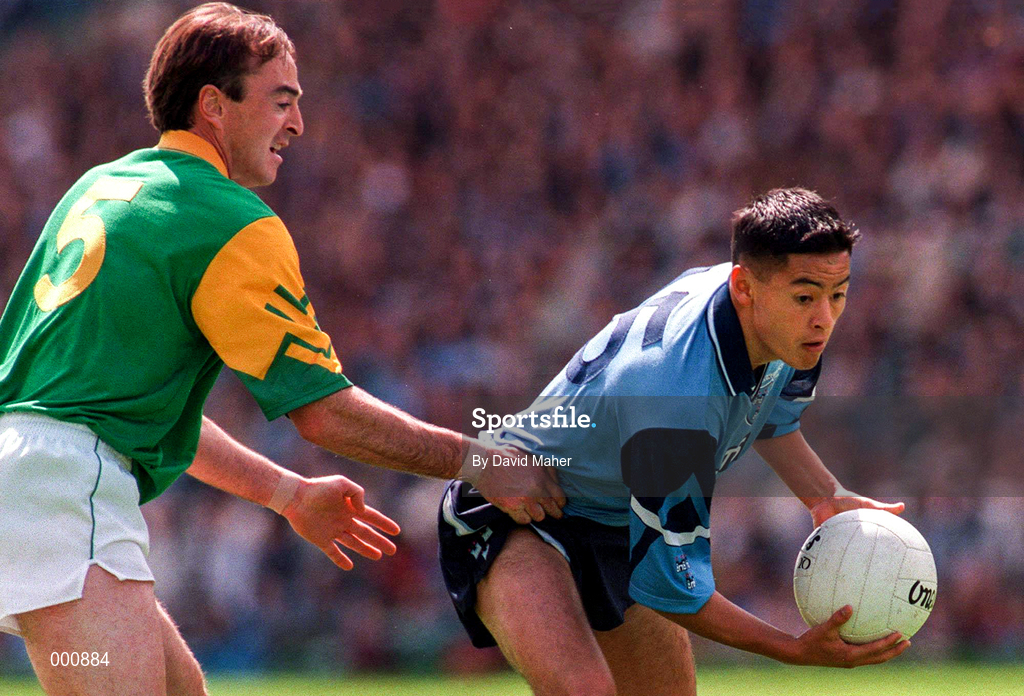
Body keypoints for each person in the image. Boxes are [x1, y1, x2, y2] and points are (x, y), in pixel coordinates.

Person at [0, 4, 561, 696]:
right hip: (64, 492)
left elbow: (112, 412)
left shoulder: (102, 185)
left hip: (30, 482)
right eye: (281, 102)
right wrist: (478, 461)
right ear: (214, 105)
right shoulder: (228, 220)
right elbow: (326, 414)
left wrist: (285, 492)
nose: (296, 124)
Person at [439, 188, 912, 695]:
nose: (824, 316)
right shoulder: (675, 396)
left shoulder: (781, 325)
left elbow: (769, 414)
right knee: (586, 692)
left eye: (838, 294)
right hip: (521, 508)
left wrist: (825, 496)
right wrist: (792, 648)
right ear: (744, 288)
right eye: (806, 297)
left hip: (618, 523)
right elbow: (673, 590)